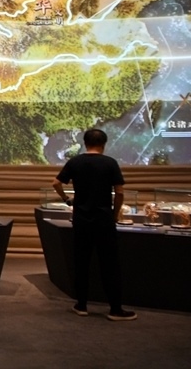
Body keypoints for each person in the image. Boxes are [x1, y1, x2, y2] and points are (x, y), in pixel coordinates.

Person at [52, 128, 137, 322]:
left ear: (85, 142)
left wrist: (67, 200)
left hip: (81, 220)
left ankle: (81, 305)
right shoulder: (110, 163)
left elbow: (56, 183)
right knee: (109, 264)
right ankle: (115, 309)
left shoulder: (75, 162)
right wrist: (114, 214)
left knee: (81, 262)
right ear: (104, 144)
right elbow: (120, 192)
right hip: (104, 220)